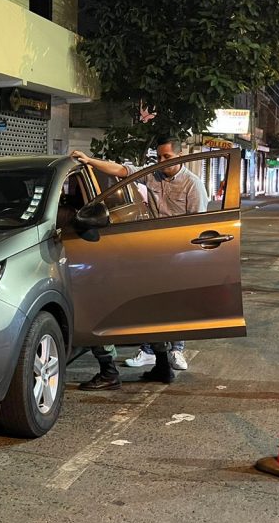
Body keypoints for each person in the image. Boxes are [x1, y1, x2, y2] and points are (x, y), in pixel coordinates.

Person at [69, 137, 208, 388]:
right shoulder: (152, 175)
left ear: (180, 156)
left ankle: (119, 370)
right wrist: (89, 160)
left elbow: (198, 227)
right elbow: (122, 171)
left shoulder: (193, 184)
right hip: (150, 254)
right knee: (149, 312)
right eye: (159, 157)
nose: (162, 161)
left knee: (157, 311)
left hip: (176, 256)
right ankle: (162, 366)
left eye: (167, 157)